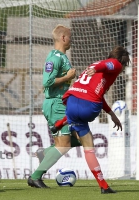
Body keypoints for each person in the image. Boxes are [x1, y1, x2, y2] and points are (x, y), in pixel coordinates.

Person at [53, 45, 129, 194]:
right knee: (89, 148)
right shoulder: (114, 64)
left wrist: (112, 114)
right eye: (125, 65)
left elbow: (95, 92)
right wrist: (98, 69)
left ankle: (60, 123)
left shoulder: (95, 65)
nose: (122, 69)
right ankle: (103, 186)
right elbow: (110, 64)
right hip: (89, 106)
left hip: (71, 102)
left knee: (78, 118)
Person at [27, 24, 81, 188]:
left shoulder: (62, 57)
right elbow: (47, 82)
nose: (71, 40)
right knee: (64, 145)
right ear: (63, 38)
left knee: (79, 137)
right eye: (70, 37)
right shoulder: (54, 58)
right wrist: (68, 77)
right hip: (56, 104)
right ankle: (35, 177)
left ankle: (45, 153)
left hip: (62, 104)